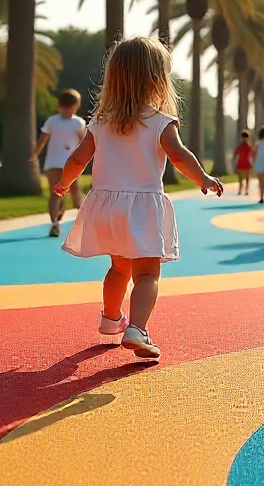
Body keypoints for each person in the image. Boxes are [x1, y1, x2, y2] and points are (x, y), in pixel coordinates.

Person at [54, 37, 223, 360]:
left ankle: (112, 317)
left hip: (105, 207)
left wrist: (65, 183)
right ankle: (138, 329)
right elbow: (179, 156)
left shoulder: (100, 123)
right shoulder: (159, 121)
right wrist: (202, 177)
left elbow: (78, 159)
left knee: (118, 268)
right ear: (158, 79)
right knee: (146, 274)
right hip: (141, 206)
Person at [30, 89, 86, 237]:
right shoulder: (78, 123)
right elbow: (84, 143)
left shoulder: (52, 121)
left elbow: (42, 140)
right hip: (70, 163)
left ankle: (55, 223)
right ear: (76, 105)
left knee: (56, 194)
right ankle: (85, 220)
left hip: (52, 163)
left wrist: (34, 155)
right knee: (74, 191)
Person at [233, 131, 254, 195]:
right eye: (243, 137)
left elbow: (252, 155)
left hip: (247, 164)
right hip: (240, 164)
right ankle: (240, 189)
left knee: (247, 177)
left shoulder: (249, 147)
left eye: (246, 138)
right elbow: (235, 154)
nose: (244, 139)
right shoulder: (239, 146)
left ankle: (247, 190)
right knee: (240, 178)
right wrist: (234, 162)